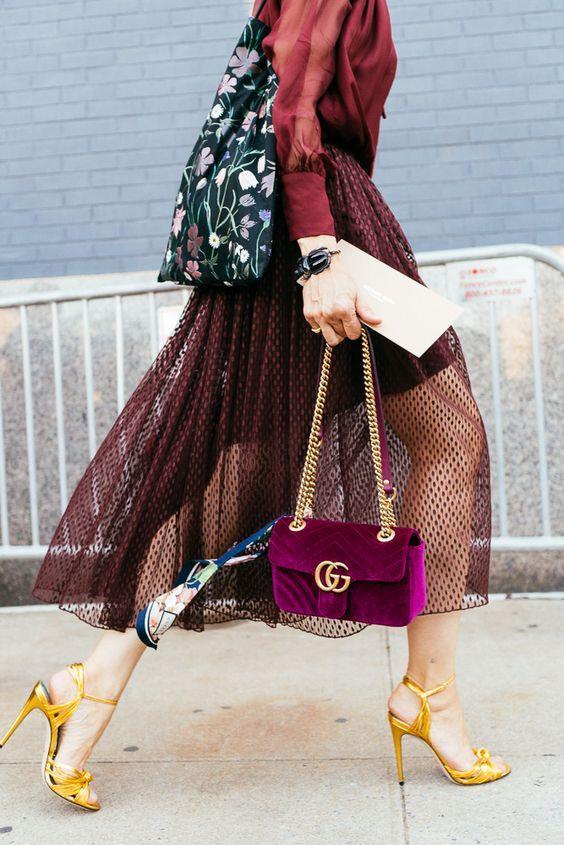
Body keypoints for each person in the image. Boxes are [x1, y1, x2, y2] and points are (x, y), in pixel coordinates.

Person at [0, 0, 509, 810]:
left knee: (246, 476)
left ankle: (87, 685)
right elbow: (295, 101)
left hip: (320, 225)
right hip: (316, 231)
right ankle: (427, 695)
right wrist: (316, 254)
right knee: (436, 438)